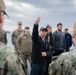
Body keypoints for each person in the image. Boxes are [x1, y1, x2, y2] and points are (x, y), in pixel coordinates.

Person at [0, 0, 25, 75]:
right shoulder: (8, 57)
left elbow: (5, 40)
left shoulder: (23, 31)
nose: (20, 25)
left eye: (21, 24)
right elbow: (12, 37)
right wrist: (14, 44)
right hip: (15, 48)